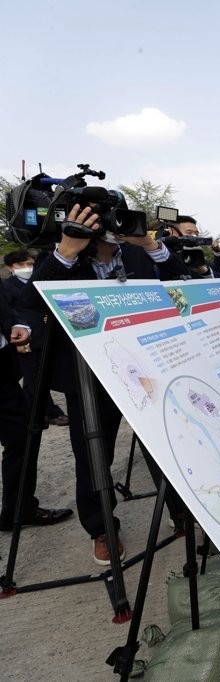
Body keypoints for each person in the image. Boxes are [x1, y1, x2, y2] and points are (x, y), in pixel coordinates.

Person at [28, 202, 194, 563]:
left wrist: (149, 245)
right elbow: (30, 300)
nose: (110, 225)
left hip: (145, 368)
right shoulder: (64, 258)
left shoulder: (136, 257)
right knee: (92, 456)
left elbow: (183, 282)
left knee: (165, 440)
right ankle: (102, 528)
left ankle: (181, 510)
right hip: (87, 375)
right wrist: (67, 249)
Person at [0, 290, 73, 532]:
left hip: (4, 369)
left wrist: (16, 324)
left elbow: (4, 305)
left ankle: (19, 510)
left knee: (21, 437)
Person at [2, 250, 69, 426]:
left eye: (30, 264)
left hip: (46, 335)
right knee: (35, 378)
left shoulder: (40, 281)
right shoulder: (7, 286)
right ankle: (50, 413)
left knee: (34, 378)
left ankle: (34, 415)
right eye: (21, 265)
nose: (27, 268)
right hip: (25, 339)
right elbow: (9, 314)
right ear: (10, 268)